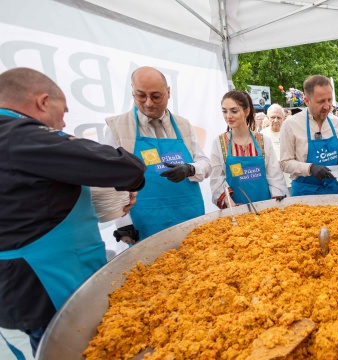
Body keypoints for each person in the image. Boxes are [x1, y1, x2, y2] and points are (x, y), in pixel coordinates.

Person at [0, 68, 146, 355]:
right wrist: (130, 181)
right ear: (43, 102)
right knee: (72, 348)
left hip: (16, 286)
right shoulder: (18, 135)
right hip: (46, 283)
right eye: (63, 111)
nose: (64, 122)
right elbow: (124, 166)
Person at [104, 66, 212, 242]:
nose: (148, 103)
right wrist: (122, 223)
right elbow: (109, 180)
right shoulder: (117, 127)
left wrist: (190, 169)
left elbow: (205, 163)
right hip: (146, 221)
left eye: (155, 96)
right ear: (132, 92)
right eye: (141, 95)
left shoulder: (183, 125)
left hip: (188, 215)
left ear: (168, 93)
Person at [210, 91, 287, 207]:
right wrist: (230, 203)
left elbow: (275, 177)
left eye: (234, 111)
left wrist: (276, 201)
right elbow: (216, 180)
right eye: (224, 111)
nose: (228, 116)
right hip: (236, 210)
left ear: (247, 111)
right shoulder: (219, 143)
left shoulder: (263, 140)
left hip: (266, 208)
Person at [280, 75, 338, 196]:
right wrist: (310, 168)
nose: (327, 106)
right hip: (304, 193)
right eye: (321, 101)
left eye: (329, 100)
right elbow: (285, 163)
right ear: (307, 101)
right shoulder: (290, 125)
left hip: (331, 191)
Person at [260, 103, 291, 189]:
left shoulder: (289, 133)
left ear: (283, 118)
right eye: (273, 117)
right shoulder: (261, 135)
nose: (276, 120)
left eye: (279, 117)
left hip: (289, 181)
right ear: (268, 117)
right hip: (271, 182)